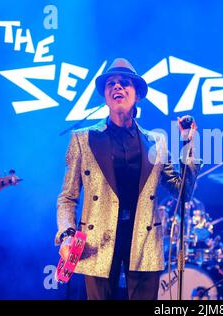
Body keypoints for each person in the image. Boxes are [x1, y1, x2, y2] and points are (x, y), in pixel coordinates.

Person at [55, 58, 200, 300]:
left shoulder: (156, 142)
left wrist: (188, 143)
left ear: (137, 95)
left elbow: (183, 192)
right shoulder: (83, 139)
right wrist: (67, 234)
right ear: (105, 96)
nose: (117, 87)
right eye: (111, 83)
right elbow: (67, 197)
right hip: (96, 241)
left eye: (124, 83)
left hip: (143, 241)